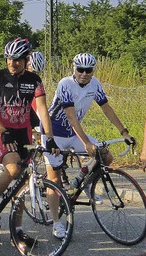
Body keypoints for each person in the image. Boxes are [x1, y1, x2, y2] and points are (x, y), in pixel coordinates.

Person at [41, 52, 135, 238]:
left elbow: (106, 108)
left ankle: (82, 183)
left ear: (93, 71)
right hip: (54, 133)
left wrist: (124, 132)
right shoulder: (65, 84)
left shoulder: (95, 83)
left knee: (105, 156)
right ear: (73, 69)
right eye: (80, 69)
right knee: (54, 179)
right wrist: (86, 143)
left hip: (72, 133)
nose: (84, 73)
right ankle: (57, 223)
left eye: (88, 70)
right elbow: (71, 117)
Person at [0, 37, 58, 248]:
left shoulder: (34, 80)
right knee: (14, 168)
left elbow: (42, 109)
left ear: (26, 60)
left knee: (23, 185)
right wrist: (3, 130)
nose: (12, 63)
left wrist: (49, 137)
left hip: (22, 131)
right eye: (8, 59)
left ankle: (17, 232)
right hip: (1, 130)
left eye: (16, 60)